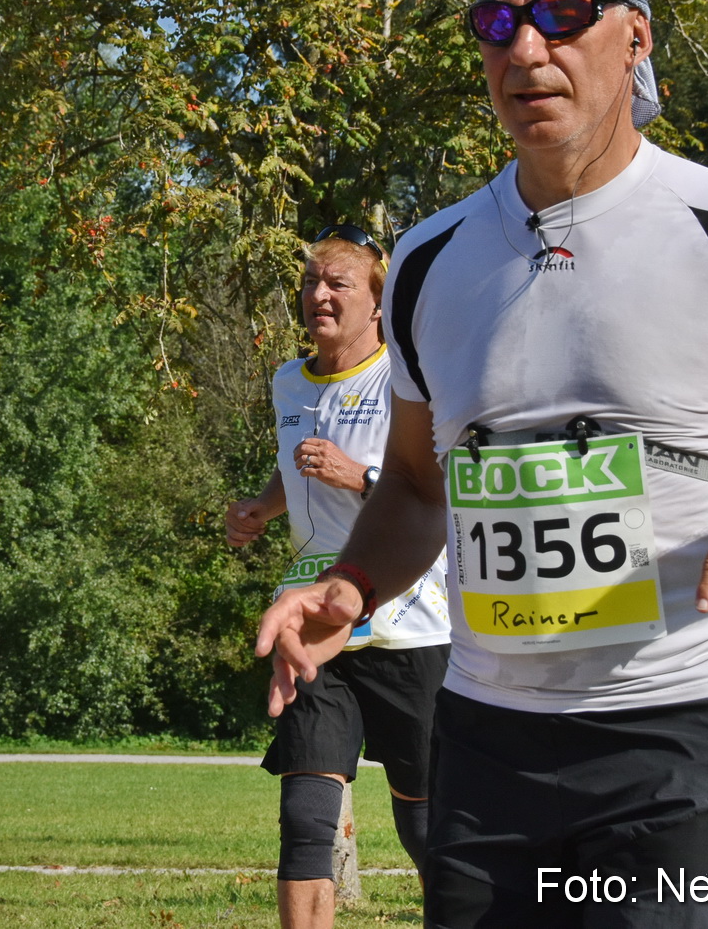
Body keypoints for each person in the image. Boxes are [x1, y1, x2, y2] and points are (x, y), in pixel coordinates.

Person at [254, 0, 708, 929]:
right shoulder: (430, 263)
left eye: (563, 13)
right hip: (484, 729)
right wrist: (350, 585)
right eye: (497, 23)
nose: (526, 48)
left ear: (635, 36)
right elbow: (419, 486)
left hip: (680, 730)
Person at [226, 224, 451, 928]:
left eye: (337, 284)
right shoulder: (287, 379)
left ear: (377, 302)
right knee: (306, 818)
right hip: (313, 623)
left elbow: (435, 484)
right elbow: (294, 456)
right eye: (310, 283)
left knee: (427, 828)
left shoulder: (407, 379)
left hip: (407, 620)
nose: (318, 296)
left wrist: (361, 475)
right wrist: (263, 506)